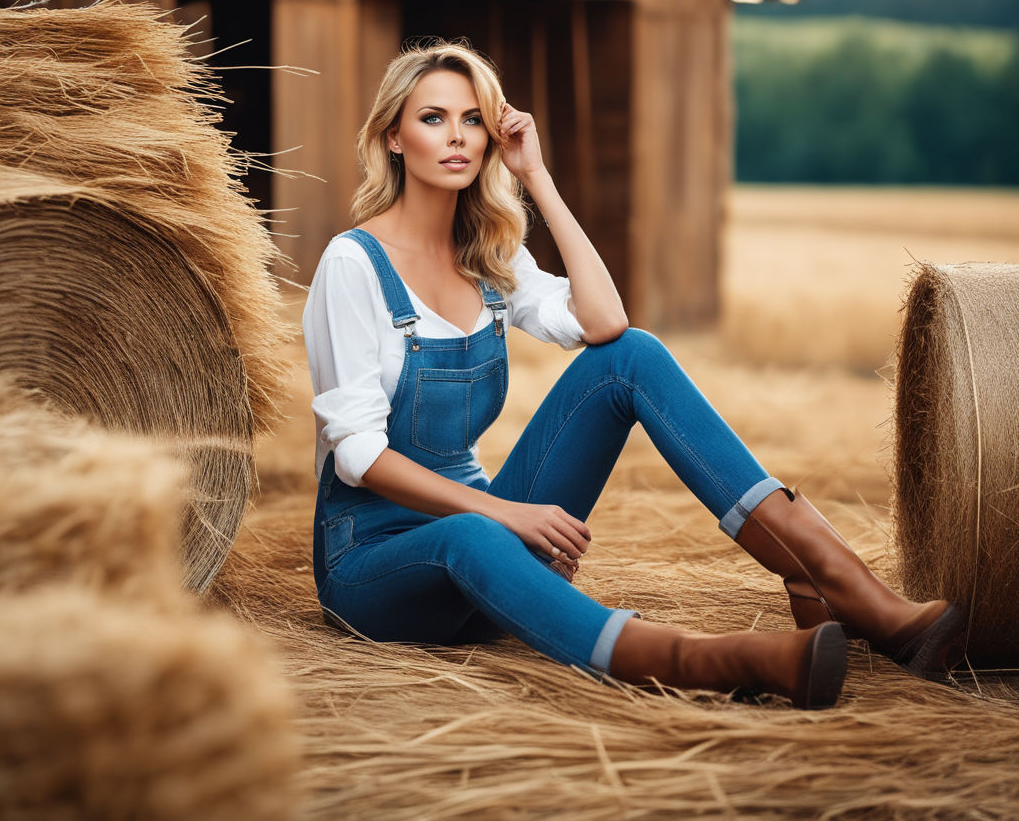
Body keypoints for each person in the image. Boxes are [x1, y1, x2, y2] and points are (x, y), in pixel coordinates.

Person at [303, 41, 963, 710]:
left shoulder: (487, 257)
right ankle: (713, 661)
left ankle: (833, 580)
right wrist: (510, 518)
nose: (457, 138)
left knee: (633, 356)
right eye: (433, 118)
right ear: (393, 136)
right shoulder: (353, 264)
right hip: (375, 567)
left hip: (487, 544)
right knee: (472, 534)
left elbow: (606, 323)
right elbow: (358, 456)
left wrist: (540, 181)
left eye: (473, 120)